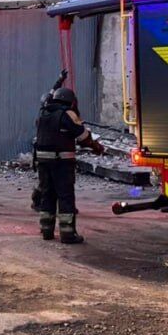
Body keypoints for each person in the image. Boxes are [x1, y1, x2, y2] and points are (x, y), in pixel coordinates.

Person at [33, 86, 103, 244]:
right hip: (61, 163)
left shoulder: (44, 113)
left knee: (47, 195)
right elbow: (83, 137)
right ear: (70, 102)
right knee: (65, 197)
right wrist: (96, 147)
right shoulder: (67, 114)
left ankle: (46, 231)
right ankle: (67, 234)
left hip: (43, 162)